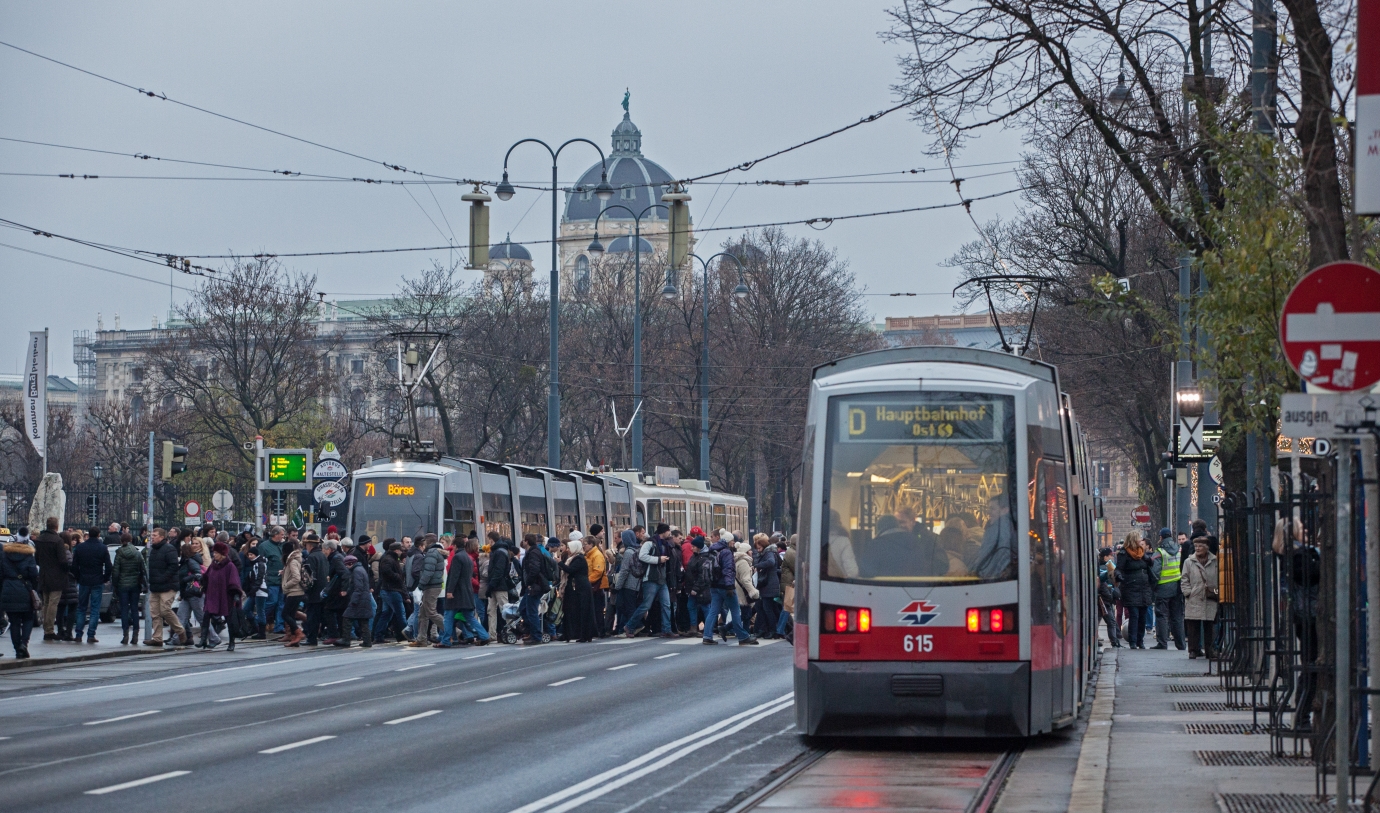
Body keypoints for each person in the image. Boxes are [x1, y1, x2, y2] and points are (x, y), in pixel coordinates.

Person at [703, 530, 758, 646]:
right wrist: (729, 586)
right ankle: (743, 637)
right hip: (725, 586)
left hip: (714, 585)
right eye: (732, 541)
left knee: (713, 611)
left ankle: (707, 636)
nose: (734, 543)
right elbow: (728, 570)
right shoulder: (726, 552)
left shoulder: (712, 549)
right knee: (735, 610)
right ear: (728, 541)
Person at [624, 524, 673, 638]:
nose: (669, 533)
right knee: (646, 605)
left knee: (666, 604)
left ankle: (667, 629)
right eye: (668, 531)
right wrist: (658, 559)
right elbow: (642, 556)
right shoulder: (650, 543)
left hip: (661, 578)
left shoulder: (665, 544)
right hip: (650, 578)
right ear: (663, 532)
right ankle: (630, 626)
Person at [144, 527, 187, 647]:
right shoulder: (153, 550)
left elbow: (173, 567)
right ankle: (157, 638)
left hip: (168, 586)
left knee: (165, 610)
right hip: (155, 586)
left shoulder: (169, 549)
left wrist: (162, 578)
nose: (152, 537)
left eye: (155, 535)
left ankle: (180, 631)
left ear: (162, 537)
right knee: (155, 613)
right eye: (151, 535)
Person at [0, 527, 39, 659]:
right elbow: (34, 574)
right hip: (24, 590)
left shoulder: (5, 555)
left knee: (14, 621)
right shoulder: (29, 556)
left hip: (8, 589)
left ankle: (17, 649)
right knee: (28, 618)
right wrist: (34, 587)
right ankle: (24, 644)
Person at [69, 525, 112, 644]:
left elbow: (74, 566)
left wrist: (78, 577)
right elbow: (108, 566)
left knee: (81, 608)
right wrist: (105, 578)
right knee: (95, 609)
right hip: (97, 580)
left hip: (83, 580)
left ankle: (78, 634)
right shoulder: (102, 548)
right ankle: (91, 634)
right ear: (98, 535)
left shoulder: (81, 548)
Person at [1115, 531, 1155, 649]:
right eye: (1139, 539)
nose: (1141, 541)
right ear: (1133, 540)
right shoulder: (1124, 553)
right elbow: (1119, 569)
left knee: (1142, 616)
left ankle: (1140, 640)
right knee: (1134, 615)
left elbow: (1150, 565)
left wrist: (1148, 559)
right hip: (1131, 587)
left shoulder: (1141, 553)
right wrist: (1119, 577)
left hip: (1144, 588)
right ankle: (1133, 641)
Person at [201, 541, 243, 652]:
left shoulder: (230, 565)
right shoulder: (213, 565)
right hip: (213, 594)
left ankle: (231, 642)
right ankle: (203, 639)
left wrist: (235, 594)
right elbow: (206, 577)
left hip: (226, 596)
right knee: (206, 615)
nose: (214, 554)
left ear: (222, 554)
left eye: (216, 552)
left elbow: (234, 581)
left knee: (230, 620)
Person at [1181, 536, 1219, 659]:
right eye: (1196, 546)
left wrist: (1217, 592)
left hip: (1210, 597)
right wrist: (1188, 593)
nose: (1197, 548)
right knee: (1193, 626)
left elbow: (1219, 578)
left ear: (1207, 548)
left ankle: (1210, 650)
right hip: (1194, 597)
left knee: (1209, 626)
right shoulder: (1189, 562)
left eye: (1200, 546)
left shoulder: (1215, 561)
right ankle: (1193, 650)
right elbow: (1184, 579)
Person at [33, 517, 67, 642]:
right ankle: (49, 629)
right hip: (56, 576)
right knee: (53, 603)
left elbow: (36, 559)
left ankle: (46, 628)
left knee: (46, 602)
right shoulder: (57, 540)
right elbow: (63, 560)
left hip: (43, 574)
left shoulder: (39, 540)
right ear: (56, 526)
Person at [409, 534, 446, 647]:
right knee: (423, 614)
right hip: (432, 585)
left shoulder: (431, 553)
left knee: (431, 612)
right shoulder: (435, 553)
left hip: (431, 586)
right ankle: (421, 639)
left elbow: (428, 572)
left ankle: (452, 631)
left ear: (427, 543)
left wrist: (420, 585)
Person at [176, 538, 213, 649]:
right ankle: (176, 639)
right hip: (187, 593)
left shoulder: (191, 561)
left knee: (201, 618)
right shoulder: (186, 561)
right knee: (181, 617)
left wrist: (186, 579)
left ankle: (214, 638)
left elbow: (198, 574)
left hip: (194, 593)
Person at [1152, 529, 1186, 650]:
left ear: (1161, 537)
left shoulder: (1159, 552)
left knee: (1162, 616)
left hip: (1163, 588)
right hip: (1177, 587)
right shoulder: (1179, 550)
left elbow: (1155, 572)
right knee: (1177, 617)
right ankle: (1181, 644)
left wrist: (1154, 587)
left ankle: (1162, 643)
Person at [111, 532, 145, 646]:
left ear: (122, 540)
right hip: (135, 585)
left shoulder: (119, 553)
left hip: (122, 585)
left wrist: (115, 585)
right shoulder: (137, 552)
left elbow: (115, 571)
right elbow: (143, 569)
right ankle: (135, 634)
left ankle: (125, 635)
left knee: (124, 609)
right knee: (135, 609)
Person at [560, 538, 595, 643]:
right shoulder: (574, 558)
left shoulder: (578, 559)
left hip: (581, 587)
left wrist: (560, 563)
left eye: (570, 548)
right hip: (578, 587)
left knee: (583, 610)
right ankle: (578, 634)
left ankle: (584, 635)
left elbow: (570, 570)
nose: (568, 550)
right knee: (579, 611)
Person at [373, 540, 407, 644]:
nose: (401, 552)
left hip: (388, 590)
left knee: (386, 614)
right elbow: (386, 571)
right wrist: (398, 576)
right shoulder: (389, 559)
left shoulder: (389, 558)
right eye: (400, 550)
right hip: (391, 590)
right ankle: (408, 634)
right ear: (396, 550)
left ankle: (378, 635)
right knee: (401, 614)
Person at [519, 533, 551, 644]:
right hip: (533, 585)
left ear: (527, 541)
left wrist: (529, 582)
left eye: (524, 540)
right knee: (523, 608)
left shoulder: (533, 553)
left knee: (531, 611)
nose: (522, 542)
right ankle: (531, 631)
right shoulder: (533, 552)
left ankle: (536, 636)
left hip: (534, 586)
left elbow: (534, 569)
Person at [338, 553, 373, 648]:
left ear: (350, 563)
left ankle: (346, 640)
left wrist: (353, 600)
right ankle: (367, 641)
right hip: (364, 599)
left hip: (359, 600)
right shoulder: (360, 569)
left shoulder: (356, 571)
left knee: (347, 617)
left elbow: (358, 587)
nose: (346, 567)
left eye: (346, 565)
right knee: (363, 621)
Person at [302, 534, 330, 646]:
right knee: (321, 616)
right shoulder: (322, 556)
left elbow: (310, 577)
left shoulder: (311, 557)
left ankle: (311, 638)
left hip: (314, 593)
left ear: (309, 545)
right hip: (323, 590)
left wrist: (307, 590)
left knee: (312, 617)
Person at [485, 536, 515, 641]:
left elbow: (498, 571)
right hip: (499, 585)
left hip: (497, 585)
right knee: (504, 609)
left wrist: (491, 585)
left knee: (496, 609)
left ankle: (496, 633)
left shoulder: (498, 552)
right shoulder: (502, 552)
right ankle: (508, 630)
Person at [612, 530, 642, 635]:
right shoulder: (638, 549)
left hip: (629, 584)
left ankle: (634, 627)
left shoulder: (628, 552)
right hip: (637, 583)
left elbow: (624, 571)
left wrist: (617, 586)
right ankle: (634, 626)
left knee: (625, 607)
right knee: (631, 606)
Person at [752, 533, 781, 639]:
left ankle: (772, 630)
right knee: (763, 607)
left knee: (767, 608)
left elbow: (771, 562)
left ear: (763, 546)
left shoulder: (768, 553)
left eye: (759, 548)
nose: (758, 550)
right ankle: (764, 629)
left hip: (769, 584)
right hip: (766, 584)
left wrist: (757, 566)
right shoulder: (767, 552)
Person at [260, 526, 285, 637]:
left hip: (282, 580)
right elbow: (261, 563)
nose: (283, 537)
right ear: (276, 535)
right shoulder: (264, 546)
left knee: (281, 604)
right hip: (271, 579)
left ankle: (279, 626)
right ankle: (259, 620)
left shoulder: (282, 545)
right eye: (282, 535)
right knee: (272, 602)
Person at [279, 539, 305, 646]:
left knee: (285, 614)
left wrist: (286, 585)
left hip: (294, 592)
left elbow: (296, 578)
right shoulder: (293, 560)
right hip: (295, 592)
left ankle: (298, 633)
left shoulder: (293, 561)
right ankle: (294, 638)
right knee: (291, 614)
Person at [584, 528, 609, 637]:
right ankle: (595, 630)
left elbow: (598, 571)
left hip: (596, 587)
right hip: (592, 586)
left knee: (597, 609)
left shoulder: (596, 555)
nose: (583, 546)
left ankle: (600, 630)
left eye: (585, 544)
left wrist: (587, 581)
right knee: (594, 609)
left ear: (590, 544)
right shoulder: (588, 555)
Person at [1096, 547, 1121, 648]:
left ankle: (1114, 640)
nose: (1111, 557)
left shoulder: (1103, 567)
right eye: (1110, 555)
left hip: (1104, 598)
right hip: (1103, 598)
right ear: (1105, 557)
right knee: (1110, 621)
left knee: (1104, 620)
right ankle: (1114, 641)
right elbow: (1102, 583)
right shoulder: (1103, 568)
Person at [777, 535, 796, 642]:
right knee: (787, 608)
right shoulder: (792, 553)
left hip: (788, 583)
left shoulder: (791, 552)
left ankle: (782, 629)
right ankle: (780, 629)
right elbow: (798, 567)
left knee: (787, 608)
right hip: (790, 583)